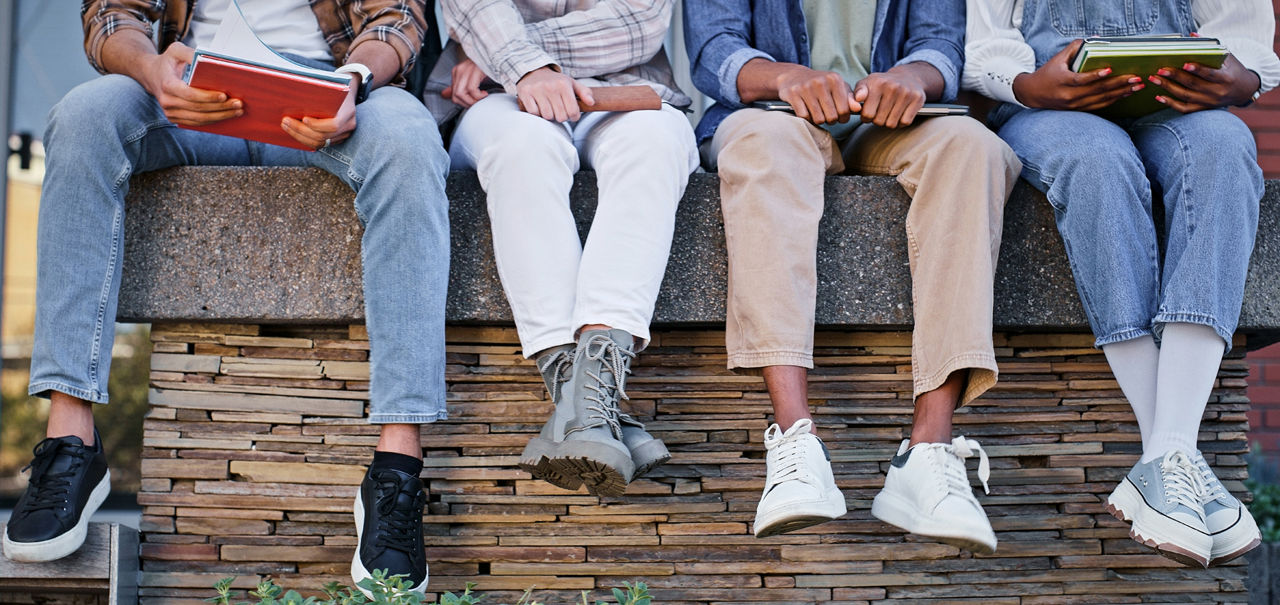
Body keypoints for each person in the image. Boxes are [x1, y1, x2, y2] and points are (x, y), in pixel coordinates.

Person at [1, 0, 448, 595]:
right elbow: (112, 12)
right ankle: (70, 444)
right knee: (83, 114)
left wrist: (354, 79)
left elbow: (396, 16)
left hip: (331, 100)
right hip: (191, 97)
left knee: (409, 138)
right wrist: (151, 69)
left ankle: (397, 470)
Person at [683, 0, 1022, 552]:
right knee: (767, 147)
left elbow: (940, 44)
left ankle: (928, 453)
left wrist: (913, 77)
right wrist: (785, 77)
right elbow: (712, 48)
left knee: (973, 147)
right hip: (768, 116)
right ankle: (795, 446)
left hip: (888, 124)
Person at [964, 0, 1278, 567]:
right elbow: (986, 36)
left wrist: (1244, 76)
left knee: (1227, 150)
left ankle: (1166, 454)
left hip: (1179, 106)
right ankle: (1175, 457)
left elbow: (1242, 32)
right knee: (1097, 162)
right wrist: (1026, 84)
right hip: (1050, 110)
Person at [431, 0, 697, 497]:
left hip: (626, 90)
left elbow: (640, 22)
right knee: (522, 147)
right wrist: (524, 70)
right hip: (494, 98)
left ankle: (581, 408)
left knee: (656, 142)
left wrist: (503, 55)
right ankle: (590, 407)